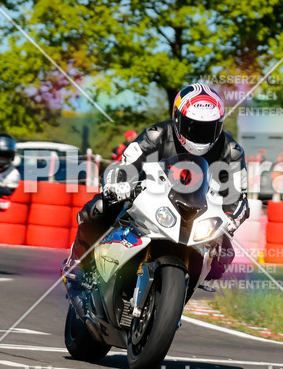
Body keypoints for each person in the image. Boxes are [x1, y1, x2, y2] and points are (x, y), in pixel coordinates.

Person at [62, 83, 250, 289]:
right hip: (152, 197)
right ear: (177, 119)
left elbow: (239, 197)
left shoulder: (231, 151)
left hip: (197, 211)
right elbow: (125, 164)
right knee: (98, 208)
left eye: (209, 128)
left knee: (225, 252)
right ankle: (78, 261)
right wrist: (119, 184)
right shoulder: (156, 134)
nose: (200, 135)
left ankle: (184, 285)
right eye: (193, 127)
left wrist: (232, 219)